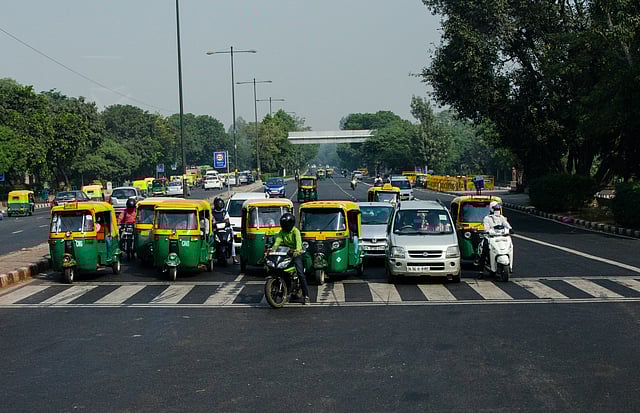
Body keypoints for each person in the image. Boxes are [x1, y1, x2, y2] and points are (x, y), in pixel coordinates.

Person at [269, 213, 310, 305]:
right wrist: (273, 249)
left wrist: (297, 250)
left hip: (297, 254)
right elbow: (277, 242)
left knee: (300, 274)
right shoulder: (282, 232)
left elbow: (298, 242)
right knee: (279, 268)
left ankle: (306, 295)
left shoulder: (296, 232)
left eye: (286, 225)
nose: (284, 227)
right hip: (286, 253)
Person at [479, 201, 512, 271]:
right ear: (492, 209)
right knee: (484, 251)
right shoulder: (487, 218)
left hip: (501, 237)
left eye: (498, 209)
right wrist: (487, 231)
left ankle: (510, 266)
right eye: (496, 209)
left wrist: (510, 228)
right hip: (490, 237)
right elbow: (486, 227)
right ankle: (481, 270)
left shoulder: (501, 217)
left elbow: (505, 223)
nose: (497, 210)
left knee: (510, 247)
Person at [212, 197, 238, 264]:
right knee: (211, 241)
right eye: (218, 204)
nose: (219, 205)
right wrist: (214, 224)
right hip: (215, 230)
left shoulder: (224, 212)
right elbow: (212, 221)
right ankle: (210, 258)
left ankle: (234, 257)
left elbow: (227, 220)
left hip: (224, 229)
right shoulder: (212, 212)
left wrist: (226, 223)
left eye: (220, 204)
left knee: (232, 241)